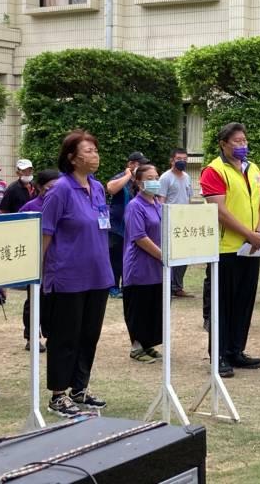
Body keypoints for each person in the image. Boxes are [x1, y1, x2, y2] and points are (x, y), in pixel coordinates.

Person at [42, 130, 112, 417]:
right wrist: (40, 274)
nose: (94, 155)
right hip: (68, 277)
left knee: (89, 335)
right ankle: (58, 394)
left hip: (98, 275)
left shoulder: (96, 188)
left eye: (95, 149)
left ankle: (79, 389)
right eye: (88, 150)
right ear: (71, 157)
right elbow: (45, 234)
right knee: (65, 337)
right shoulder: (60, 190)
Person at [200, 123, 260, 378]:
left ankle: (236, 350)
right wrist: (248, 234)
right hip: (224, 248)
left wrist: (259, 233)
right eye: (236, 141)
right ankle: (218, 355)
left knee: (244, 300)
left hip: (251, 247)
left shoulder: (253, 169)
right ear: (223, 144)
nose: (242, 145)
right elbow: (220, 211)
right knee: (222, 303)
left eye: (244, 140)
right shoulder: (213, 170)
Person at [122, 164, 164, 363]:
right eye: (150, 178)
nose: (155, 181)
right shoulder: (135, 206)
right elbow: (139, 237)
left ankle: (148, 344)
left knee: (154, 305)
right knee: (139, 305)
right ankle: (137, 346)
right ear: (139, 183)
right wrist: (162, 255)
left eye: (156, 177)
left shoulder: (158, 204)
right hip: (140, 265)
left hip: (157, 266)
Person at [19, 169, 61, 352]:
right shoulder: (30, 207)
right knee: (34, 300)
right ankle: (32, 336)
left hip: (58, 262)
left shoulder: (63, 204)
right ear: (39, 187)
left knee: (56, 303)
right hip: (36, 262)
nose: (53, 190)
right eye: (49, 187)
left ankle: (53, 335)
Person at [106, 151, 149, 298]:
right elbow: (111, 188)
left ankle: (127, 285)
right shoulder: (121, 177)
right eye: (140, 163)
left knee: (129, 257)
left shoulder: (139, 181)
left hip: (133, 226)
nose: (142, 166)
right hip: (116, 226)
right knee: (115, 257)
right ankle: (112, 287)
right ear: (131, 164)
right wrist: (127, 176)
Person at [159, 148, 195, 298]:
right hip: (170, 222)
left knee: (184, 256)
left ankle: (178, 287)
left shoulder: (187, 177)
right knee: (170, 256)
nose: (182, 161)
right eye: (179, 158)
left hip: (184, 223)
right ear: (172, 160)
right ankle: (168, 287)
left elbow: (189, 198)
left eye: (185, 159)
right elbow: (161, 201)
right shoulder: (165, 178)